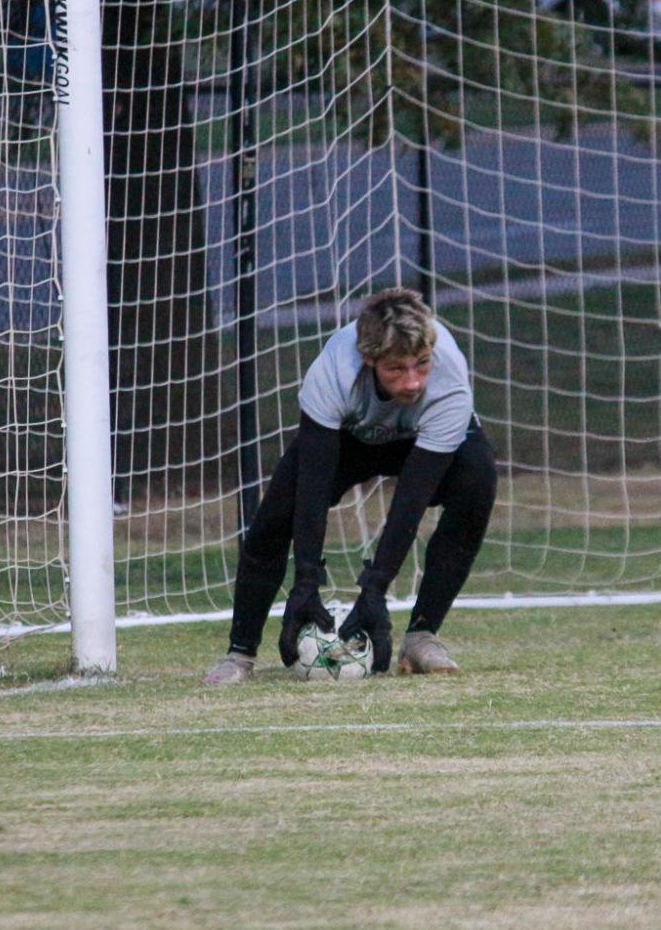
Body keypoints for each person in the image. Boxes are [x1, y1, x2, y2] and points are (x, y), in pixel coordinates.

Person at [203, 287, 496, 684]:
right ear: (369, 359)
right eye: (396, 369)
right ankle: (240, 654)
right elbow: (313, 486)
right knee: (275, 516)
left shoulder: (449, 383)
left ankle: (422, 636)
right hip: (348, 439)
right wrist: (306, 579)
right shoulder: (334, 370)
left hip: (419, 440)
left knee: (477, 480)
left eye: (421, 364)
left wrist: (374, 589)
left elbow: (411, 500)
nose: (412, 382)